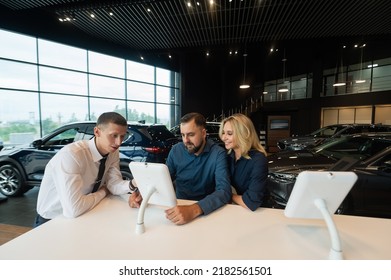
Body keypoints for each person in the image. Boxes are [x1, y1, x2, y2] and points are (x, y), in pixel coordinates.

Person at [35, 112, 137, 227]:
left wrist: (133, 183)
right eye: (114, 135)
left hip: (86, 213)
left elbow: (113, 184)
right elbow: (74, 209)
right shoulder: (72, 155)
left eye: (122, 136)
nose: (119, 142)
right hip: (52, 220)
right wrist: (103, 191)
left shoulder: (112, 151)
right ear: (97, 132)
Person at [129, 112, 231, 225]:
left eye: (191, 134)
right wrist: (142, 193)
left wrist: (194, 209)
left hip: (206, 210)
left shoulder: (218, 153)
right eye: (183, 135)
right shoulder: (176, 150)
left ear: (203, 133)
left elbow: (224, 191)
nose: (185, 140)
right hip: (178, 205)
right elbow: (162, 179)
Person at [219, 113, 268, 211]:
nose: (224, 138)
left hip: (260, 212)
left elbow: (251, 202)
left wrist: (228, 195)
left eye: (229, 133)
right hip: (238, 209)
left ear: (243, 134)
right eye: (223, 133)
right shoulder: (228, 156)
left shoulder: (258, 160)